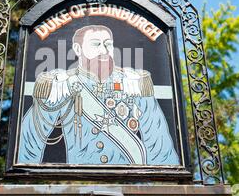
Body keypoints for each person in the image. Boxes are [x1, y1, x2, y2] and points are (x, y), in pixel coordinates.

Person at [17, 24, 179, 165]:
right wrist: (23, 172)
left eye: (108, 44)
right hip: (79, 180)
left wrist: (165, 178)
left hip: (130, 180)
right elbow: (30, 139)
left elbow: (158, 141)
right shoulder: (62, 84)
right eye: (96, 44)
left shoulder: (133, 82)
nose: (104, 50)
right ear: (78, 49)